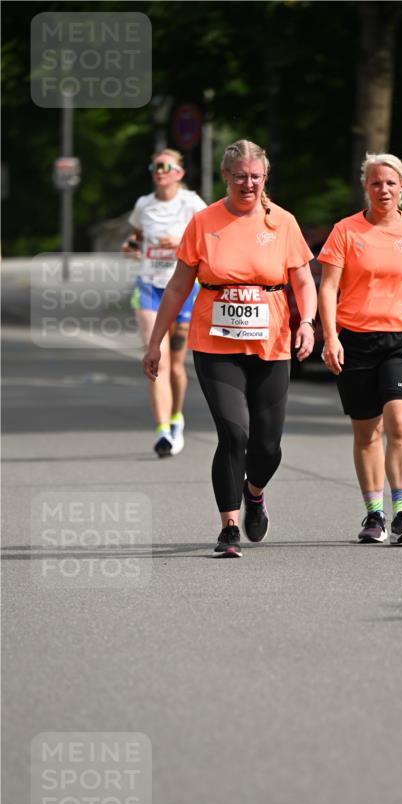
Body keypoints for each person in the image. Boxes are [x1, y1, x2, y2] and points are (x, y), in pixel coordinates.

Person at [142, 139, 317, 558]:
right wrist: (156, 342)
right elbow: (180, 285)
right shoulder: (204, 222)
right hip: (215, 343)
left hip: (271, 343)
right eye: (240, 176)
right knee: (234, 433)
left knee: (268, 447)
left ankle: (254, 493)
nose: (248, 183)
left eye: (256, 176)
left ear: (265, 178)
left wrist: (307, 322)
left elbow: (305, 281)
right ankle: (229, 527)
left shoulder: (283, 223)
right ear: (226, 177)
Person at [318, 153, 402, 545]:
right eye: (376, 183)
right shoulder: (345, 231)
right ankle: (374, 516)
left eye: (391, 183)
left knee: (399, 423)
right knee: (366, 432)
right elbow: (327, 288)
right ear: (366, 187)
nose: (384, 190)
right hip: (357, 340)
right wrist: (330, 337)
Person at [123, 149, 207, 458]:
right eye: (154, 165)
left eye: (165, 166)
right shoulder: (144, 204)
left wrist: (181, 241)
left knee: (176, 365)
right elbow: (136, 236)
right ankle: (161, 431)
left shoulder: (192, 203)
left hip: (182, 288)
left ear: (178, 173)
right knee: (155, 358)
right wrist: (130, 246)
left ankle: (175, 419)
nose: (159, 171)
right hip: (148, 287)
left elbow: (211, 235)